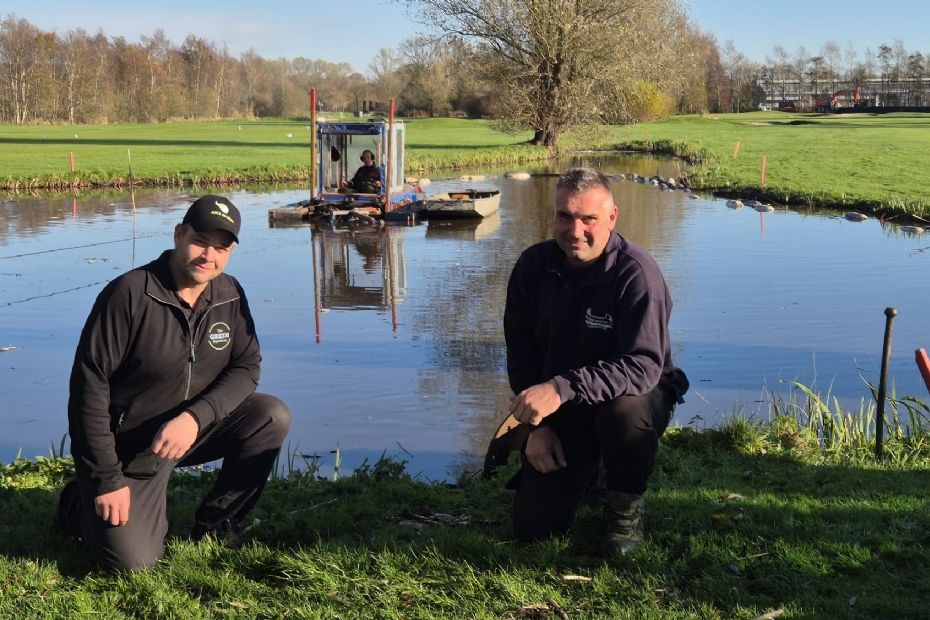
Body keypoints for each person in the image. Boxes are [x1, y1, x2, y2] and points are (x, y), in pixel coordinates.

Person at [52, 195, 292, 572]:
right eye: (200, 241)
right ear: (179, 234)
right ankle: (76, 503)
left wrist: (196, 418)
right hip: (131, 450)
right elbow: (88, 389)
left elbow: (247, 365)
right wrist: (103, 479)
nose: (208, 255)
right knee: (132, 564)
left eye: (220, 247)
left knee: (270, 415)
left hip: (189, 431)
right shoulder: (129, 294)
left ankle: (215, 523)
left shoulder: (229, 293)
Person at [503, 168, 688, 555]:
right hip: (565, 405)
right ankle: (590, 470)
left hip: (633, 395)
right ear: (552, 215)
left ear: (612, 218)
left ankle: (625, 513)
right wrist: (538, 428)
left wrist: (559, 387)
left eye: (589, 219)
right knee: (534, 530)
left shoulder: (636, 274)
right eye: (565, 216)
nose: (575, 230)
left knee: (624, 412)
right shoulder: (531, 268)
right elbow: (521, 359)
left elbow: (642, 365)